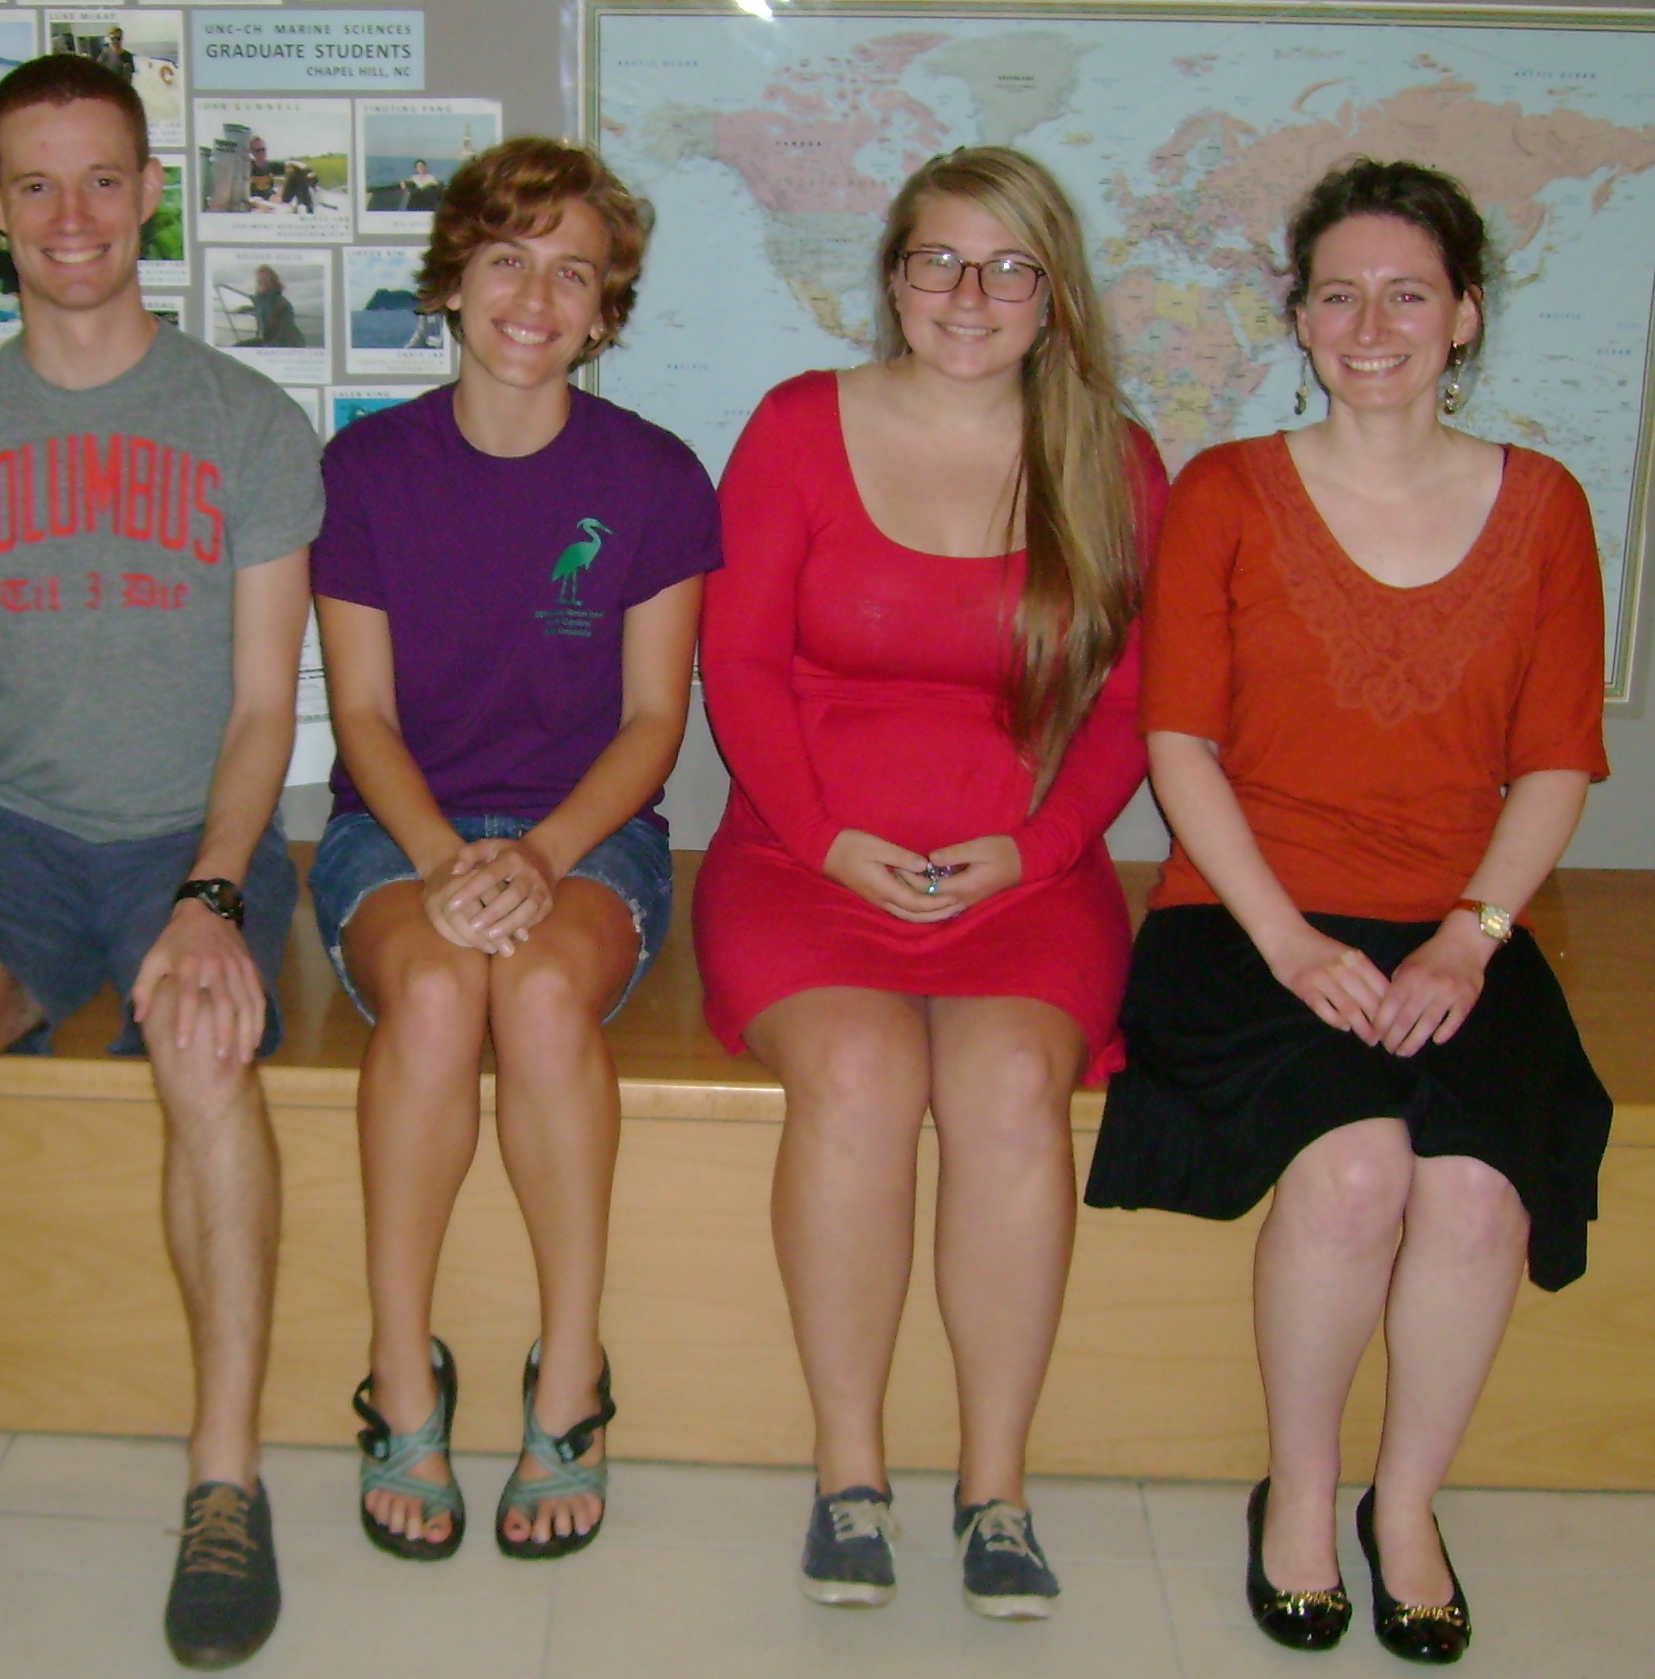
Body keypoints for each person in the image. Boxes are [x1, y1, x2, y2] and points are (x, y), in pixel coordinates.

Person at [1087, 158, 1611, 1665]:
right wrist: (1290, 941)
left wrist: (1471, 935)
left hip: (1462, 926)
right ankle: (1302, 1497)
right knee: (1357, 1166)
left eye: (1406, 294)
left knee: (1477, 1189)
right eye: (1337, 295)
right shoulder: (1227, 491)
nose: (1370, 326)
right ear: (1299, 318)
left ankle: (1409, 1506)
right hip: (1247, 916)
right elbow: (1179, 743)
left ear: (1464, 316)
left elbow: (1555, 760)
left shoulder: (1545, 504)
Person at [0, 55, 320, 1671]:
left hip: (192, 836)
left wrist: (215, 893)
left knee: (203, 1041)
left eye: (103, 179)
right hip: (15, 844)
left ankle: (224, 1480)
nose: (72, 216)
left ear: (149, 193)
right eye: (35, 184)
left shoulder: (244, 422)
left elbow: (264, 706)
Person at [695, 145, 1166, 1619]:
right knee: (858, 1072)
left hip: (1028, 874)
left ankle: (995, 1487)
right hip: (802, 858)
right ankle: (849, 1472)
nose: (971, 294)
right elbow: (736, 662)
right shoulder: (796, 425)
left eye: (1009, 265)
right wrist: (826, 835)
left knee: (1011, 1088)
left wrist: (1036, 846)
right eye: (938, 260)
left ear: (1053, 292)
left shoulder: (1113, 458)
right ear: (893, 276)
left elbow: (1131, 701)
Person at [312, 137, 719, 1566]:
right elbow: (361, 715)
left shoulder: (656, 476)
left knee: (539, 991)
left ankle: (569, 1373)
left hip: (587, 837)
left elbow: (655, 721)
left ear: (605, 311)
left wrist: (539, 856)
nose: (534, 298)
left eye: (573, 273)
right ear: (452, 282)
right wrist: (442, 859)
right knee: (436, 991)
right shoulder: (364, 469)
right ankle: (402, 1372)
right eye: (506, 260)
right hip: (393, 830)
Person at [247, 264, 302, 348]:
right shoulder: (259, 301)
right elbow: (259, 310)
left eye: (265, 280)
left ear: (272, 282)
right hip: (265, 340)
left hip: (285, 343)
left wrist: (268, 347)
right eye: (259, 281)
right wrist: (244, 310)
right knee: (237, 347)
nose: (262, 283)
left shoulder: (283, 304)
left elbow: (285, 333)